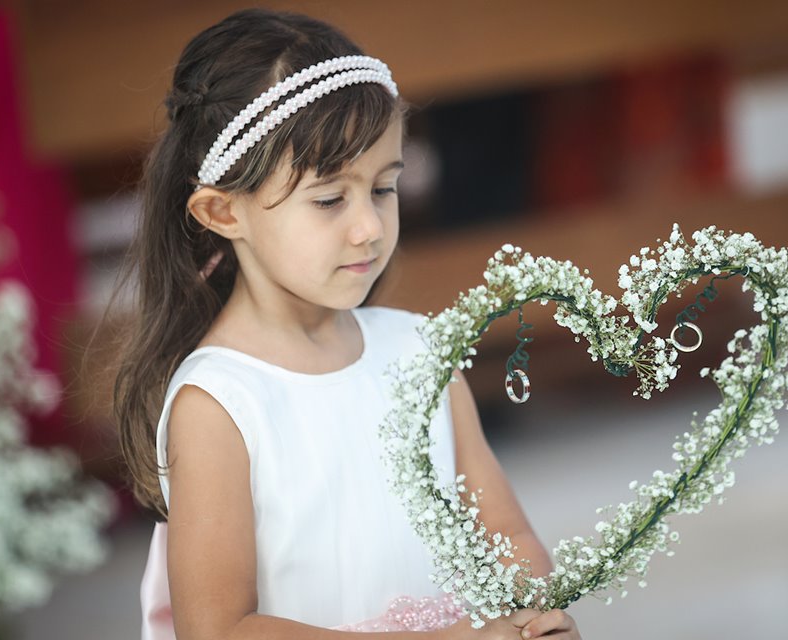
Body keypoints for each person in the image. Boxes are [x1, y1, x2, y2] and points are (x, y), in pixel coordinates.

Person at [106, 8, 583, 640]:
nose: (370, 227)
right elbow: (219, 628)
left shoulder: (419, 352)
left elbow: (505, 534)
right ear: (223, 211)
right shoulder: (221, 403)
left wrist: (529, 620)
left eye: (383, 189)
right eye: (330, 199)